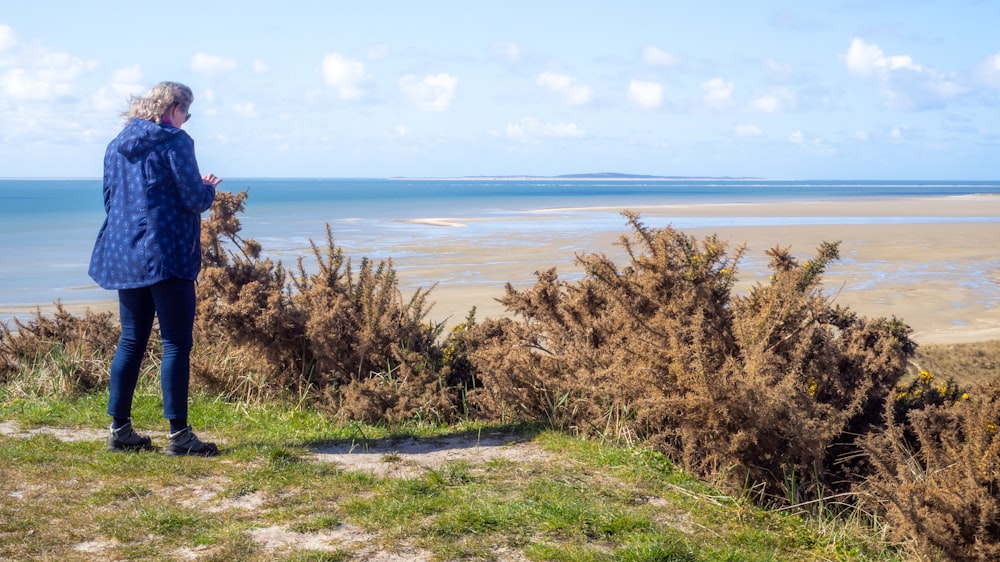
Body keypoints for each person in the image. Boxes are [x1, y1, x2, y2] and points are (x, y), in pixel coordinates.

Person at [89, 81, 223, 456]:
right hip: (167, 252)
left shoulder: (116, 145)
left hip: (125, 251)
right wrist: (208, 188)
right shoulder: (176, 141)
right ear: (173, 108)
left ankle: (120, 430)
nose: (186, 120)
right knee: (176, 342)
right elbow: (193, 197)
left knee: (131, 340)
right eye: (186, 112)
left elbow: (109, 199)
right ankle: (180, 437)